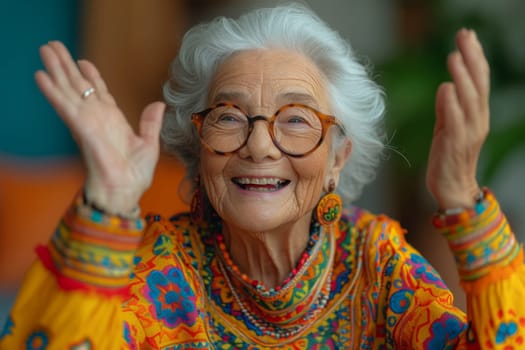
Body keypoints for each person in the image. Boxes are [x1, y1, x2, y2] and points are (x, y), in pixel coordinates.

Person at [1, 3, 524, 349]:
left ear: (337, 159)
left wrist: (463, 202)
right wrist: (109, 201)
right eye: (228, 117)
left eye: (295, 120)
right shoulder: (160, 272)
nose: (257, 144)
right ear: (199, 147)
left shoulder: (376, 262)